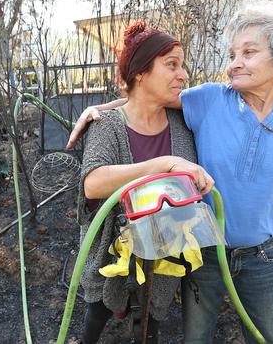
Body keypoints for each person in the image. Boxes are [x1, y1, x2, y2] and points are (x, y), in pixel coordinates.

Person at [68, 0, 273, 344]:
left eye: (248, 53)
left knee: (271, 338)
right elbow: (148, 95)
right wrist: (99, 108)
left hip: (265, 258)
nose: (234, 65)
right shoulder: (210, 99)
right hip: (203, 253)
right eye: (232, 55)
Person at [77, 21, 214, 344]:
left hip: (163, 250)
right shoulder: (108, 125)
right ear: (140, 73)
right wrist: (164, 165)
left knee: (151, 322)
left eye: (182, 66)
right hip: (111, 250)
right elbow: (93, 184)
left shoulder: (182, 123)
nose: (182, 75)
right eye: (172, 65)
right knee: (97, 314)